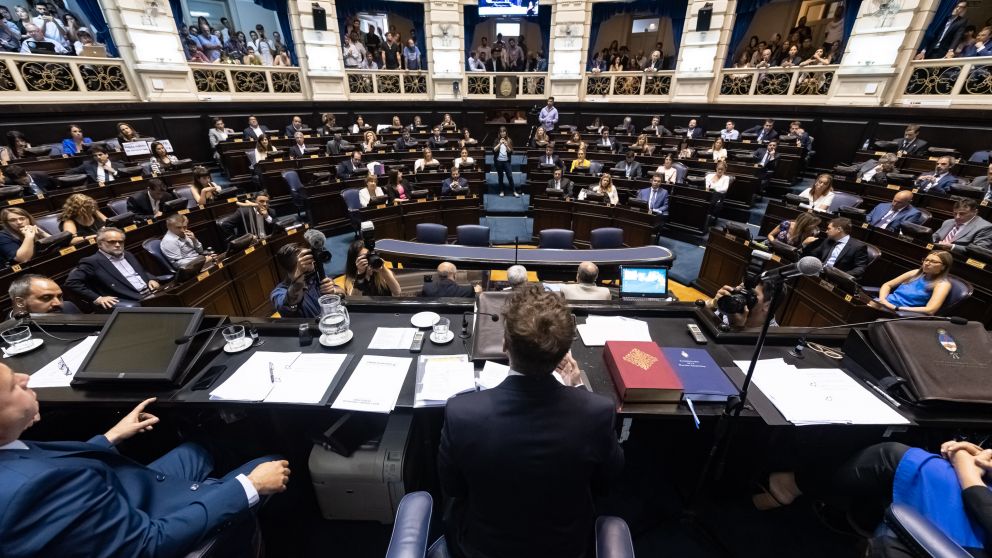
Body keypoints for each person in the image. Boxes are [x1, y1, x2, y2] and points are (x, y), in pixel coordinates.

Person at [0, 367, 291, 556]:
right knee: (274, 461)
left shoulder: (10, 451)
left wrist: (110, 437)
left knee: (199, 448)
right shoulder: (34, 491)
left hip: (123, 491)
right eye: (14, 386)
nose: (25, 377)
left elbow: (52, 465)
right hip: (154, 524)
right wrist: (249, 486)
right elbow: (148, 545)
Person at [438, 285, 623, 558]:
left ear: (505, 344)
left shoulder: (461, 413)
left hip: (483, 548)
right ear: (565, 354)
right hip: (565, 549)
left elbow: (453, 488)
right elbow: (606, 484)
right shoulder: (598, 413)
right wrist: (577, 390)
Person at [65, 227, 160, 309]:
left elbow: (142, 271)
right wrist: (97, 298)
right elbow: (71, 282)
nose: (118, 245)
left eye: (120, 242)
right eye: (112, 242)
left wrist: (151, 279)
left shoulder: (127, 254)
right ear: (100, 244)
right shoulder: (92, 262)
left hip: (152, 292)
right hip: (132, 299)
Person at [270, 243, 343, 318]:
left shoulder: (315, 278)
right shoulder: (278, 292)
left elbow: (342, 292)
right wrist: (299, 273)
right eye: (306, 257)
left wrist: (333, 291)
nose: (312, 259)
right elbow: (287, 306)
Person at [869, 250, 953, 315]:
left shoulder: (942, 284)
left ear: (943, 267)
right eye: (926, 260)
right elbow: (887, 285)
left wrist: (897, 308)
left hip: (899, 313)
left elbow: (930, 310)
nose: (927, 263)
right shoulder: (915, 272)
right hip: (884, 303)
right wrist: (882, 299)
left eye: (933, 262)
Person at [804, 217, 871, 280]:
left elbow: (860, 268)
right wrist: (805, 244)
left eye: (829, 229)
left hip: (836, 279)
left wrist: (842, 276)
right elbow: (813, 254)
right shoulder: (828, 241)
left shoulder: (858, 246)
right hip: (819, 274)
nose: (826, 231)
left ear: (839, 229)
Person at [705, 277, 778, 329]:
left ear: (768, 306)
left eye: (750, 294)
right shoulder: (731, 305)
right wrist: (713, 303)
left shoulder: (772, 337)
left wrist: (736, 328)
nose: (741, 296)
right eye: (741, 289)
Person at [8, 274, 78, 315]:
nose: (58, 303)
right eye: (46, 297)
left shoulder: (69, 308)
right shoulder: (9, 332)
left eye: (59, 297)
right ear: (20, 302)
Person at [492, 127, 516, 197]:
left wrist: (506, 145)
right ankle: (501, 191)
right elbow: (494, 150)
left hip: (506, 162)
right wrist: (499, 143)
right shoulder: (496, 140)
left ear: (506, 132)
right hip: (498, 161)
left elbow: (511, 152)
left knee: (510, 176)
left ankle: (514, 191)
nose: (502, 133)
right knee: (500, 176)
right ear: (499, 133)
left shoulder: (509, 140)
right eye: (501, 132)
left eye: (504, 132)